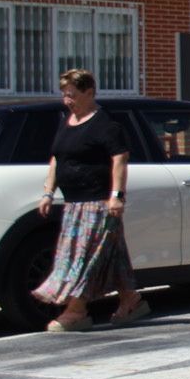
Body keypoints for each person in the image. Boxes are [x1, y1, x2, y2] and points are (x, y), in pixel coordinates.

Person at [33, 69, 148, 331]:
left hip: (98, 203)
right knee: (111, 255)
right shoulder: (66, 122)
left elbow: (119, 159)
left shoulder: (105, 124)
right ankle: (131, 299)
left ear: (89, 92)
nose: (67, 100)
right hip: (73, 204)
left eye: (72, 95)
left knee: (82, 257)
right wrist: (48, 192)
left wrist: (116, 196)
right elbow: (57, 159)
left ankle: (76, 310)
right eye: (64, 95)